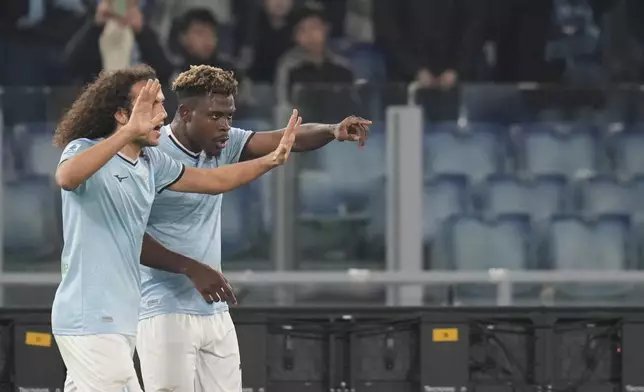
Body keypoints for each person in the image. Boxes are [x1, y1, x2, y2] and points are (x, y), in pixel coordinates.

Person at [50, 63, 300, 392]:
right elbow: (67, 178)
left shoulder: (152, 163)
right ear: (122, 115)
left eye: (161, 104)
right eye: (151, 106)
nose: (162, 115)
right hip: (89, 315)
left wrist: (270, 161)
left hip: (120, 317)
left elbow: (212, 180)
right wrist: (125, 135)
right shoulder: (83, 149)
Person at [136, 64, 371, 392]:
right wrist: (190, 268)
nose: (225, 126)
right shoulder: (148, 155)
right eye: (215, 116)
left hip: (214, 309)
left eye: (229, 116)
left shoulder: (225, 143)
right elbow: (130, 236)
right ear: (186, 112)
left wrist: (333, 130)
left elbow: (284, 140)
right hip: (163, 309)